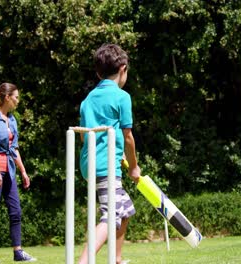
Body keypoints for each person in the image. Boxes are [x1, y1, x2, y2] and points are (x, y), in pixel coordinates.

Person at [77, 44, 141, 264]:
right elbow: (128, 136)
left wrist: (118, 153)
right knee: (111, 214)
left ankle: (116, 258)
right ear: (123, 69)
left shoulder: (88, 100)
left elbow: (85, 137)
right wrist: (133, 166)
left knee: (125, 210)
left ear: (98, 73)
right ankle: (84, 261)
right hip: (106, 165)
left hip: (89, 162)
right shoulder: (122, 97)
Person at [0, 83, 36, 263]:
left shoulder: (12, 120)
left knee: (16, 211)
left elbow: (14, 149)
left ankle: (18, 252)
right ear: (7, 97)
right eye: (16, 97)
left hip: (9, 170)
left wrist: (23, 171)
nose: (18, 101)